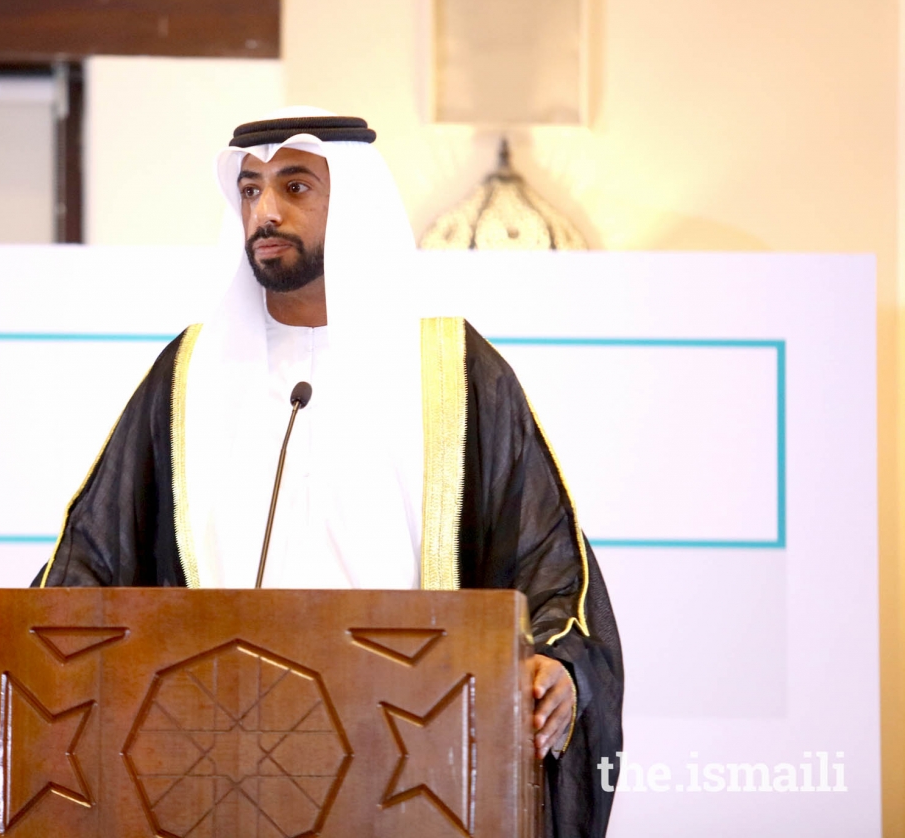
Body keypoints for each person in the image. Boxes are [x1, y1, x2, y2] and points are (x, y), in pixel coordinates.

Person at [33, 108, 623, 837]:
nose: (266, 212)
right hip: (215, 763)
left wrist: (561, 667)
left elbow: (548, 563)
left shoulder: (451, 370)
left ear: (357, 207)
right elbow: (92, 560)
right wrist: (38, 655)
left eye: (295, 187)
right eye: (250, 190)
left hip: (413, 765)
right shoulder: (191, 376)